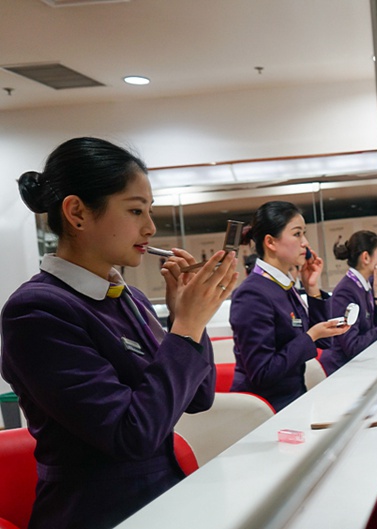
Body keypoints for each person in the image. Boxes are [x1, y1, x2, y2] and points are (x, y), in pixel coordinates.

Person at [0, 137, 234, 528]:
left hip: (164, 502)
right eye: (135, 210)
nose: (150, 226)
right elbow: (132, 436)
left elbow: (199, 397)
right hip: (101, 514)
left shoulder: (129, 297)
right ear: (76, 212)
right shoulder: (37, 311)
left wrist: (186, 321)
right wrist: (186, 328)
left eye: (150, 210)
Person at [229, 201, 348, 411]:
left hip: (293, 402)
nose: (305, 243)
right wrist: (310, 337)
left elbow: (325, 344)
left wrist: (312, 288)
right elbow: (262, 372)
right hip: (265, 412)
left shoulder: (282, 284)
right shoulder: (252, 294)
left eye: (304, 234)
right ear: (271, 242)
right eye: (297, 234)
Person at [320, 230, 377, 375]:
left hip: (363, 364)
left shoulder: (364, 286)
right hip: (344, 371)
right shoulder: (346, 291)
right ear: (366, 257)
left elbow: (375, 329)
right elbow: (353, 346)